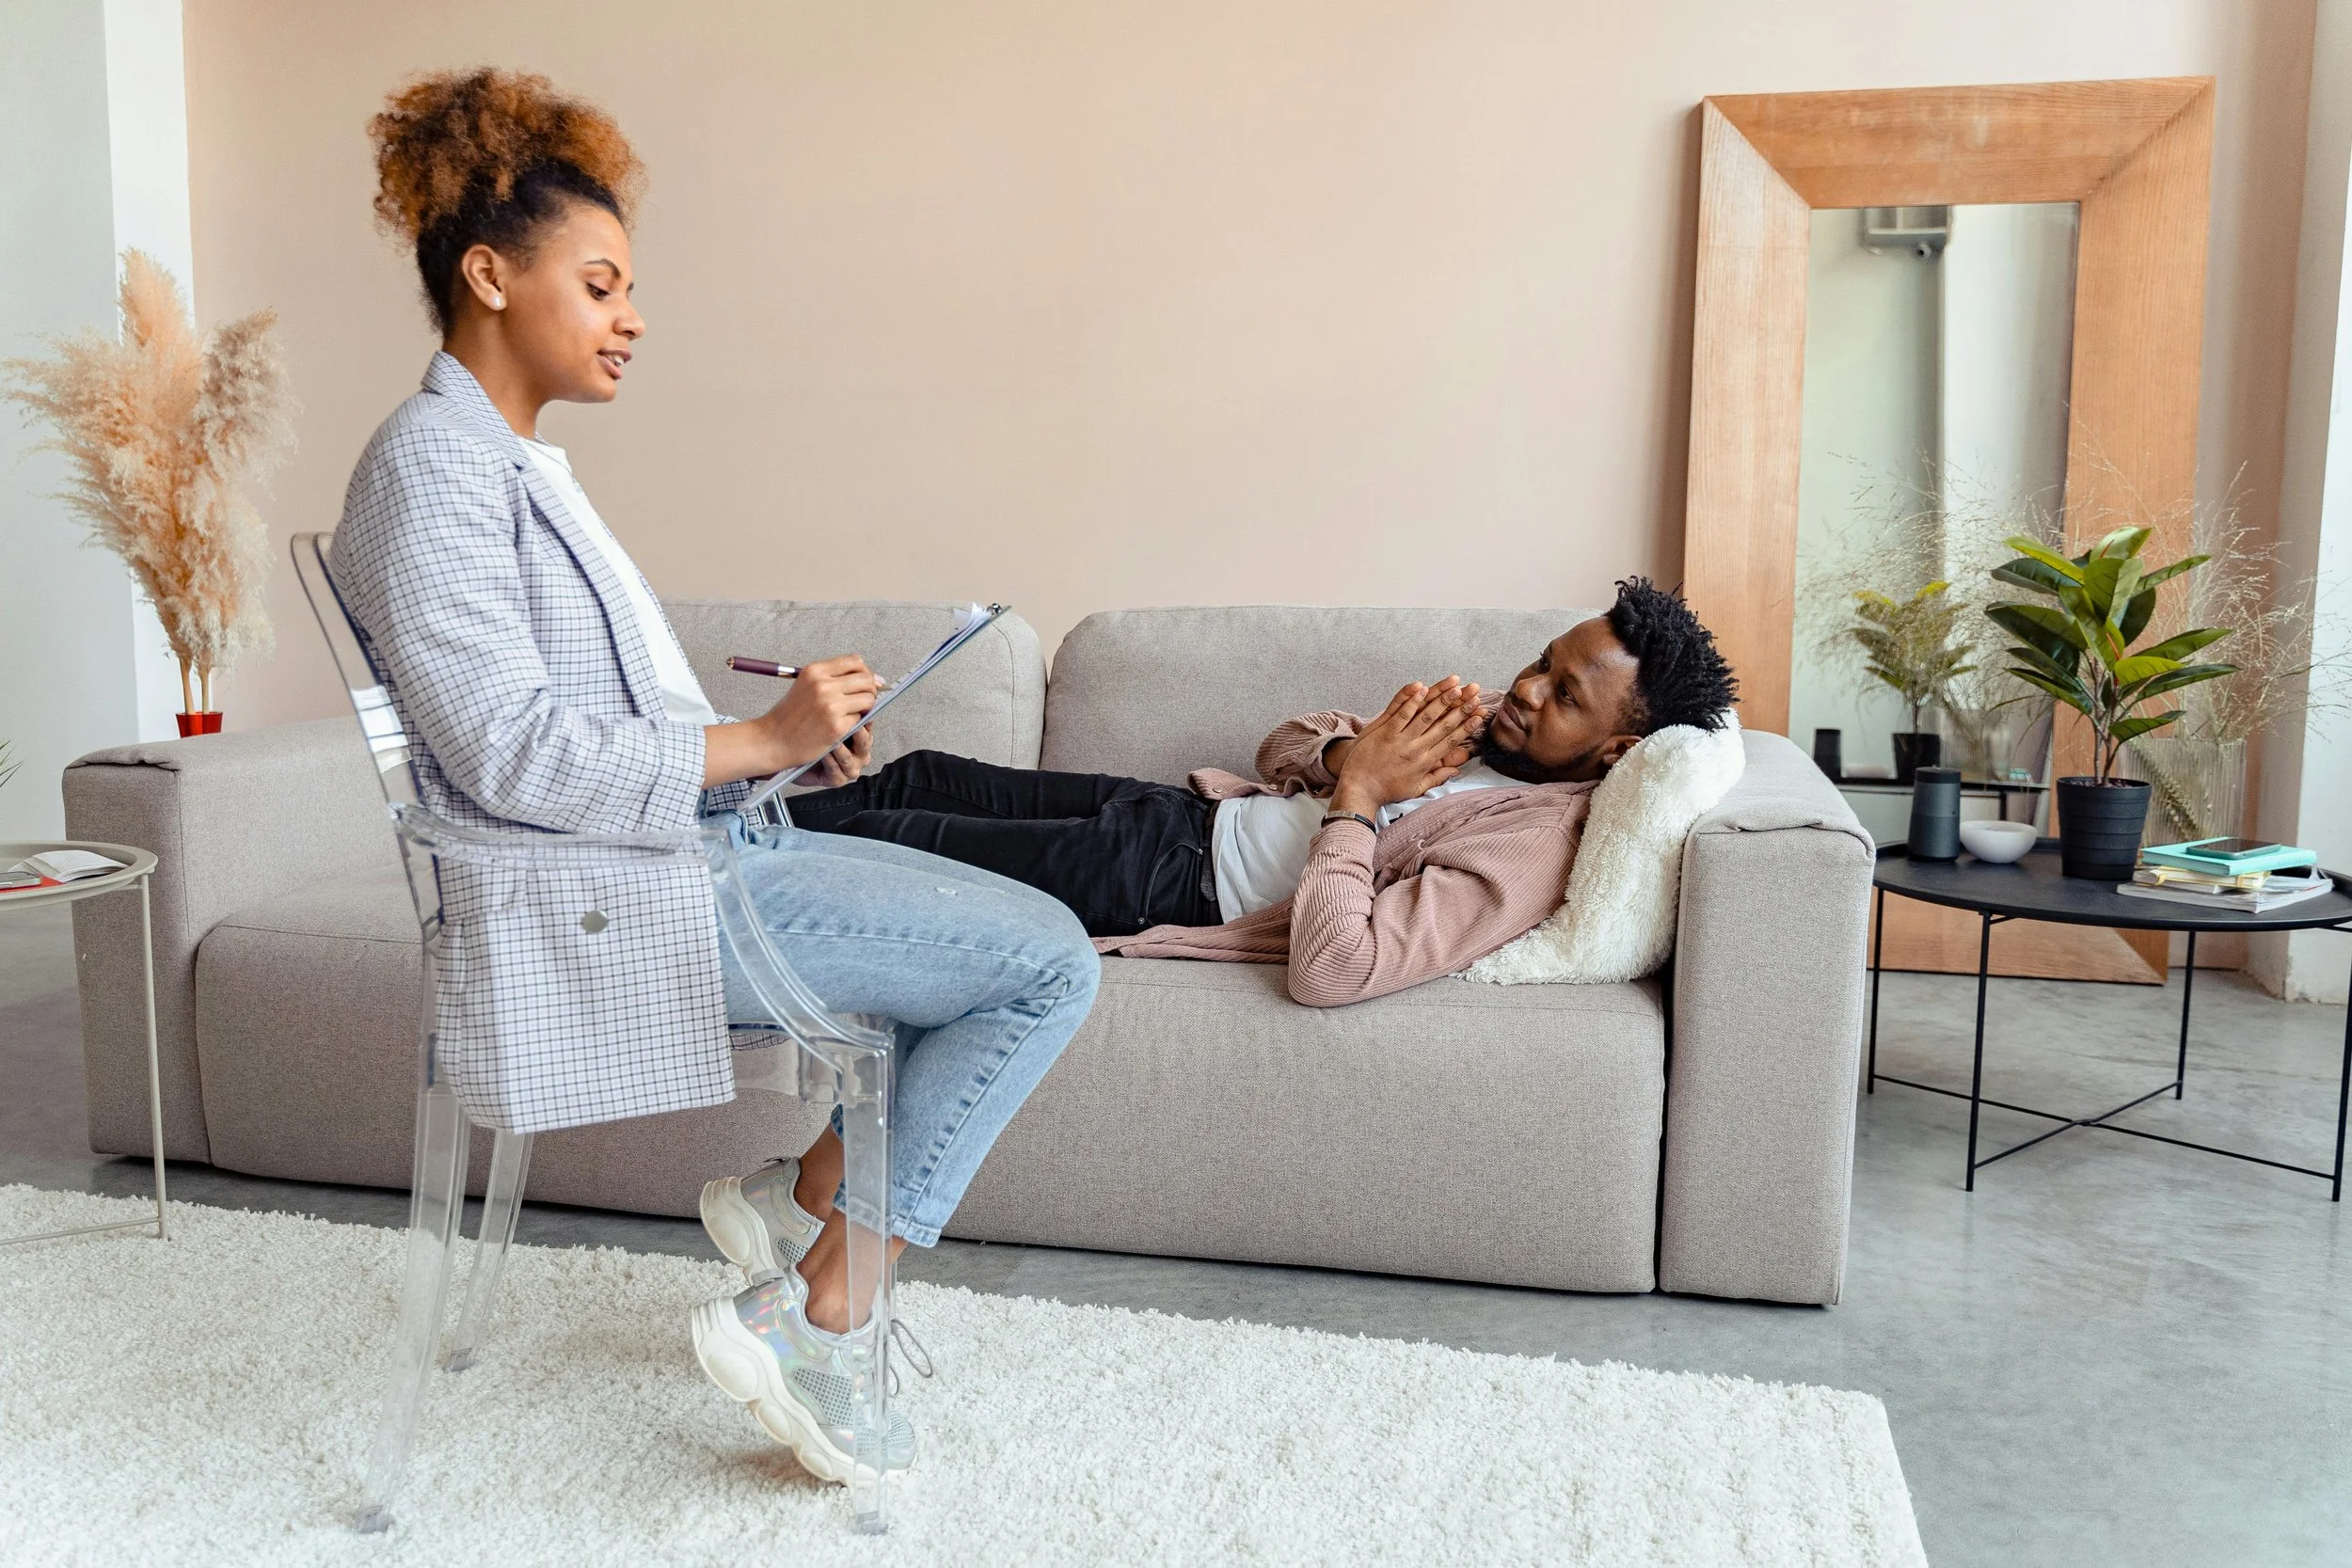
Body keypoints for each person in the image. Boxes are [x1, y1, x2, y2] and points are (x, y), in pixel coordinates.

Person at [337, 69, 1100, 1484]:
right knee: (1048, 963)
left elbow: (596, 719)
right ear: (489, 274)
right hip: (602, 908)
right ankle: (816, 1304)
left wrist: (787, 754)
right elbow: (509, 748)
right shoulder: (431, 471)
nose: (633, 319)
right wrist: (755, 742)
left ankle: (795, 1197)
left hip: (677, 865)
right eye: (604, 283)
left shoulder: (508, 465)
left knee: (1029, 934)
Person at [786, 580, 1738, 1005]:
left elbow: (1337, 967)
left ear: (1616, 751)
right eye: (1542, 661)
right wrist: (1342, 757)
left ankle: (708, 859)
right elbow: (1281, 739)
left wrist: (1360, 796)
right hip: (1178, 812)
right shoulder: (1481, 720)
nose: (1526, 689)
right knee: (921, 773)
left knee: (902, 833)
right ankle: (731, 818)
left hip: (1179, 884)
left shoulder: (1527, 846)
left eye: (1564, 694)